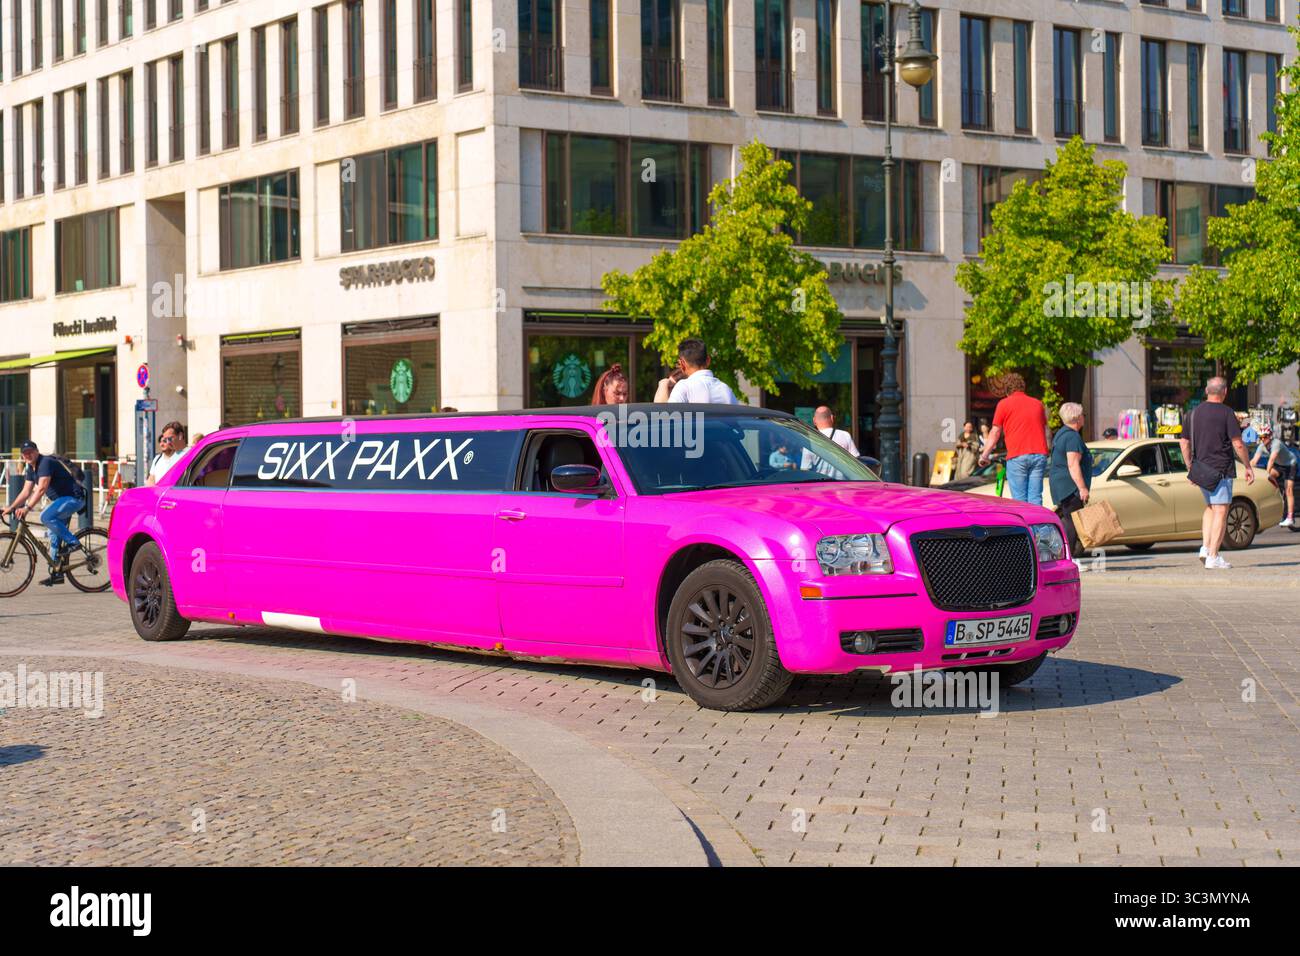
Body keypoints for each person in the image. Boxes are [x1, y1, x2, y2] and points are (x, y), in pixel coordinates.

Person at [1179, 377, 1254, 570]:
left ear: (1206, 391)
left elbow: (1184, 443)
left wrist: (1190, 467)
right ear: (1225, 392)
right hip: (1221, 470)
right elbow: (1238, 443)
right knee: (1221, 510)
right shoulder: (1227, 413)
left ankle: (1205, 548)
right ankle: (1213, 556)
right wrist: (1248, 466)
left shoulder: (1192, 413)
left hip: (1201, 470)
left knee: (1211, 508)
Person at [0, 440, 94, 586]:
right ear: (22, 456)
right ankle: (57, 573)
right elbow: (26, 491)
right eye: (25, 453)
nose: (28, 455)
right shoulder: (31, 469)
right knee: (53, 535)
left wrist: (27, 508)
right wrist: (11, 507)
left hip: (73, 499)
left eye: (30, 452)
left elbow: (41, 488)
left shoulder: (45, 463)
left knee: (45, 516)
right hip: (61, 502)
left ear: (37, 451)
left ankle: (73, 542)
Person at [978, 374, 1052, 505]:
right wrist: (1047, 451)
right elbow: (1046, 430)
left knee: (1020, 501)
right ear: (1023, 387)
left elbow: (995, 432)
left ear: (1006, 389)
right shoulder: (1037, 403)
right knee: (1035, 498)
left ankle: (1024, 519)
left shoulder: (1004, 404)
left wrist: (984, 455)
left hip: (1018, 455)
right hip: (1039, 454)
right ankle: (1037, 519)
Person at [1049, 403, 1093, 562]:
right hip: (1069, 486)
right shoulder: (1072, 437)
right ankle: (1068, 559)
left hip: (1061, 484)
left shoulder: (1061, 434)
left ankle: (1066, 558)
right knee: (1072, 522)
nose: (1084, 418)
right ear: (1077, 418)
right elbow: (1073, 465)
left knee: (1069, 520)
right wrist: (1082, 488)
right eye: (1083, 415)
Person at [654, 339, 739, 405]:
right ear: (708, 360)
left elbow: (662, 417)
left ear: (682, 364)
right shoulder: (726, 390)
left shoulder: (684, 387)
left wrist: (663, 384)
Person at [1261, 425, 1296, 528]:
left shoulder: (1276, 444)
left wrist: (1265, 474)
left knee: (1289, 490)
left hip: (1290, 465)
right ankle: (1279, 491)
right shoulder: (1262, 446)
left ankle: (1290, 518)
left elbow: (1271, 460)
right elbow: (1254, 460)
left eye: (1264, 436)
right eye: (1260, 437)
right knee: (1269, 477)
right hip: (1280, 466)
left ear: (1270, 436)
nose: (1262, 439)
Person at [145, 421, 188, 486]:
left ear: (180, 436)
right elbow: (151, 480)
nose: (168, 442)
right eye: (166, 439)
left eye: (170, 439)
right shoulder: (163, 458)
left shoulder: (190, 454)